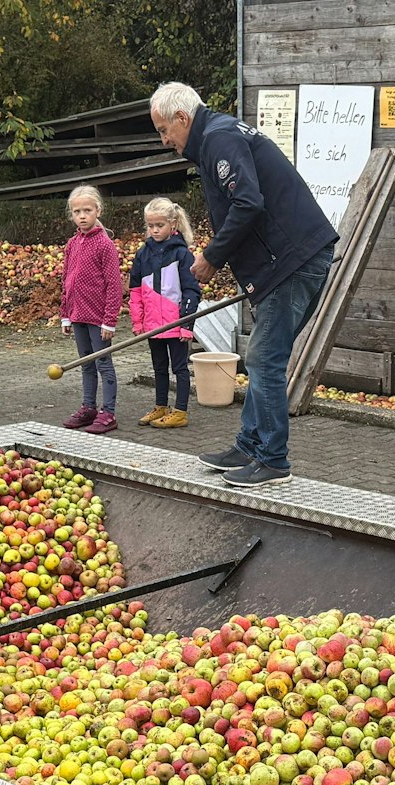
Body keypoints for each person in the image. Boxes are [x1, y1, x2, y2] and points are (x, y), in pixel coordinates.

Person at [150, 82, 335, 488]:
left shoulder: (218, 138)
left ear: (183, 118)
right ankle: (249, 445)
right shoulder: (218, 135)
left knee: (265, 360)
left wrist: (212, 257)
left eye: (165, 129)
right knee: (261, 357)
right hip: (289, 259)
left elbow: (248, 202)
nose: (165, 140)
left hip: (291, 260)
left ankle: (272, 460)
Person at [128, 196, 201, 430]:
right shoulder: (143, 254)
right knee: (158, 367)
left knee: (179, 368)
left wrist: (186, 325)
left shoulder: (182, 254)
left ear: (173, 224)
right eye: (150, 226)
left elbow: (191, 290)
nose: (154, 230)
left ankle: (180, 411)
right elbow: (136, 290)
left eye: (159, 225)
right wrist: (138, 322)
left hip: (175, 324)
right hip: (152, 325)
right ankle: (161, 405)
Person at [58, 185, 124, 434]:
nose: (82, 216)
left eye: (87, 210)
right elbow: (66, 281)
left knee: (103, 364)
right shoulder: (72, 244)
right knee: (86, 363)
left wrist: (110, 320)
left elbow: (114, 285)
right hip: (78, 317)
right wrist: (65, 314)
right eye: (77, 211)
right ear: (71, 215)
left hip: (98, 319)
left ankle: (108, 412)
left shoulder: (104, 245)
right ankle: (89, 407)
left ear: (98, 210)